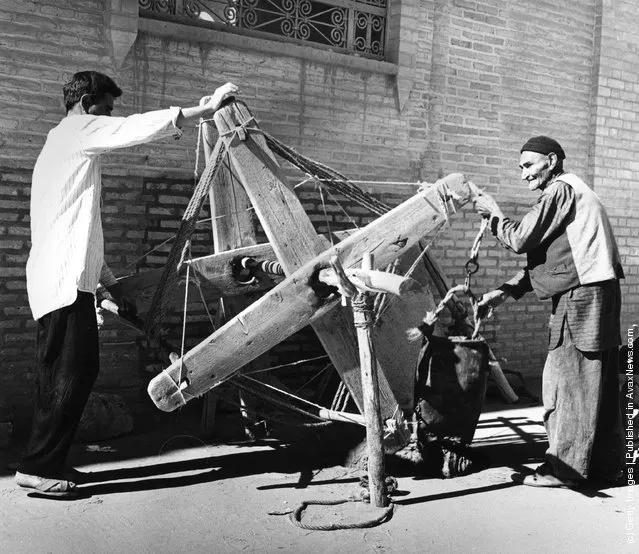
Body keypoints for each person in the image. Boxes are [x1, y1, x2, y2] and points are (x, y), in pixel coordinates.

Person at [16, 71, 238, 498]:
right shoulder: (76, 132)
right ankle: (40, 467)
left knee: (61, 374)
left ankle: (41, 464)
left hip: (58, 280)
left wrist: (112, 284)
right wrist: (204, 111)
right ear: (85, 102)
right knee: (74, 372)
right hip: (62, 284)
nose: (109, 115)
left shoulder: (63, 147)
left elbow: (81, 230)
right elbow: (134, 128)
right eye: (105, 107)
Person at [473, 136, 624, 488]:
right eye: (520, 168)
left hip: (581, 299)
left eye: (528, 165)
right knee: (594, 382)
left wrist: (493, 214)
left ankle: (565, 470)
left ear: (551, 161)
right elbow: (557, 260)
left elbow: (520, 239)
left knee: (566, 381)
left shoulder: (559, 191)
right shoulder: (577, 191)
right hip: (596, 294)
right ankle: (604, 466)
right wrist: (504, 292)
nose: (523, 175)